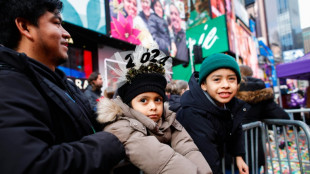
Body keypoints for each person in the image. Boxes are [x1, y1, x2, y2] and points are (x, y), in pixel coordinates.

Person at [0, 0, 125, 173]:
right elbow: (31, 165)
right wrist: (111, 142)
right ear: (25, 27)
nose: (67, 34)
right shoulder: (8, 86)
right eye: (57, 23)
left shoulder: (61, 83)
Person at [96, 47, 212, 174]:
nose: (153, 106)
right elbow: (163, 160)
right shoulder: (120, 127)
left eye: (158, 99)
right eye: (143, 100)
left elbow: (188, 148)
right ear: (129, 104)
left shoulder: (168, 120)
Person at [177, 53, 249, 174]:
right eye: (217, 80)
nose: (225, 85)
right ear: (204, 85)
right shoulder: (193, 114)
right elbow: (208, 163)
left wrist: (238, 156)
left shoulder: (230, 105)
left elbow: (235, 128)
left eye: (231, 79)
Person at [231, 65, 290, 173]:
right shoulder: (261, 93)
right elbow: (282, 116)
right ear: (251, 74)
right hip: (253, 150)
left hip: (229, 151)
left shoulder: (229, 90)